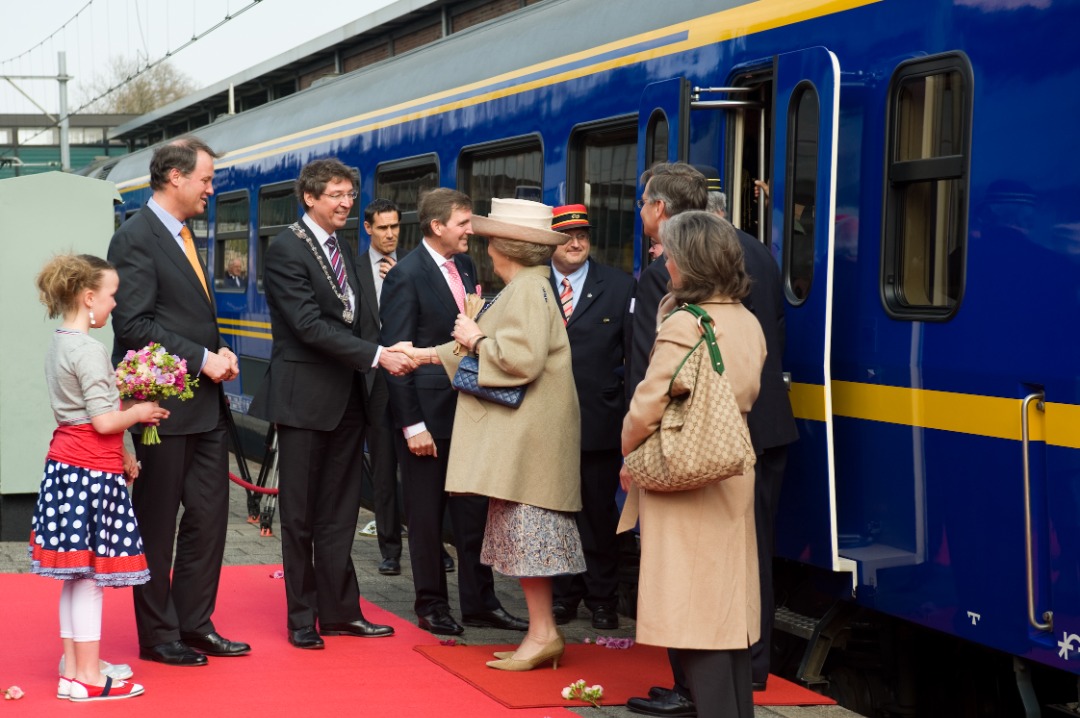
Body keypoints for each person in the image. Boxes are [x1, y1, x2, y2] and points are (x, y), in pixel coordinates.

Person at [405, 197, 586, 671]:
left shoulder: (526, 290)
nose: (484, 249)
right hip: (524, 441)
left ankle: (543, 633)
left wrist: (476, 338)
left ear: (505, 246)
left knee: (527, 542)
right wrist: (427, 354)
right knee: (523, 542)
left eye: (488, 240)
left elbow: (519, 360)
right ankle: (540, 632)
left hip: (528, 444)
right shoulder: (528, 285)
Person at [248, 159, 415, 649]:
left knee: (340, 511)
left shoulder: (344, 246)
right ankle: (301, 617)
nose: (346, 203)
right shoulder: (285, 249)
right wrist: (378, 356)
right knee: (299, 515)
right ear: (310, 198)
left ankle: (341, 611)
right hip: (304, 401)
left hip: (348, 397)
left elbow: (360, 318)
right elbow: (306, 326)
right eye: (336, 194)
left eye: (350, 194)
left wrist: (389, 348)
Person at [108, 135, 249, 667]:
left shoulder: (188, 234)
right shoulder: (135, 237)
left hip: (204, 406)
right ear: (175, 177)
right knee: (158, 523)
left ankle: (195, 623)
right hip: (161, 409)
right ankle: (158, 633)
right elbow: (136, 323)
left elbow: (181, 314)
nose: (212, 189)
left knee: (209, 520)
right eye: (206, 179)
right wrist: (201, 357)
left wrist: (217, 354)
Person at [620, 211, 765, 717]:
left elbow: (648, 404)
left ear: (689, 263)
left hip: (686, 472)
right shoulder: (747, 320)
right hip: (731, 465)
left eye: (669, 252)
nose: (664, 259)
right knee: (725, 612)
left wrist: (629, 450)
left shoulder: (686, 323)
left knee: (693, 612)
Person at [381, 188, 528, 636]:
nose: (472, 230)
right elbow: (398, 356)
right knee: (426, 516)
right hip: (428, 416)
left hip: (468, 412)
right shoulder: (404, 276)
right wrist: (413, 425)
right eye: (464, 223)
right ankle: (431, 605)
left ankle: (480, 602)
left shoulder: (464, 265)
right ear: (437, 227)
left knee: (472, 513)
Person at [31, 253, 170, 701]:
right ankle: (87, 677)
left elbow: (84, 416)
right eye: (111, 296)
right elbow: (105, 421)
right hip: (91, 471)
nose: (115, 304)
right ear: (89, 297)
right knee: (91, 577)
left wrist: (125, 448)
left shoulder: (60, 342)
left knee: (76, 575)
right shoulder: (89, 349)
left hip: (68, 467)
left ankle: (73, 667)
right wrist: (140, 412)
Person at [705, 171, 799, 694]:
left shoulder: (705, 264)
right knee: (757, 547)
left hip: (726, 430)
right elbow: (777, 332)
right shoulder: (759, 252)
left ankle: (725, 666)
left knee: (718, 548)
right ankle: (755, 661)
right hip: (770, 424)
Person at [547, 203, 635, 630]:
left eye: (582, 235)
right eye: (566, 237)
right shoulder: (534, 285)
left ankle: (602, 597)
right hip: (544, 424)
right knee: (555, 512)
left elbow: (634, 357)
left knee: (599, 515)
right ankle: (564, 594)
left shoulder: (619, 286)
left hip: (598, 421)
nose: (576, 243)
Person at [626, 162, 708, 403]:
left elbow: (649, 363)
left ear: (659, 208)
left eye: (643, 203)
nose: (640, 211)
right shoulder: (725, 259)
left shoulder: (662, 272)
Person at [358, 198, 405, 576]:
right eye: (383, 227)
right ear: (368, 228)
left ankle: (432, 548)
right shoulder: (355, 270)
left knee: (425, 472)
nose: (390, 234)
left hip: (414, 378)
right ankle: (390, 548)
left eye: (395, 227)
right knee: (385, 468)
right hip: (376, 384)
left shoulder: (413, 267)